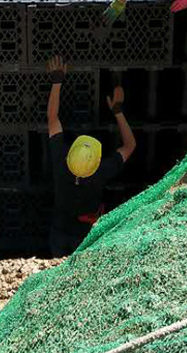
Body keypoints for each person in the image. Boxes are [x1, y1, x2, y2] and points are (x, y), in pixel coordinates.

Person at [46, 56, 135, 257]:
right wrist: (118, 112)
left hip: (59, 233)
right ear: (96, 163)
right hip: (84, 237)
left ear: (70, 155)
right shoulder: (101, 172)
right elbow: (130, 146)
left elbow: (53, 118)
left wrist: (57, 81)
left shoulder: (61, 162)